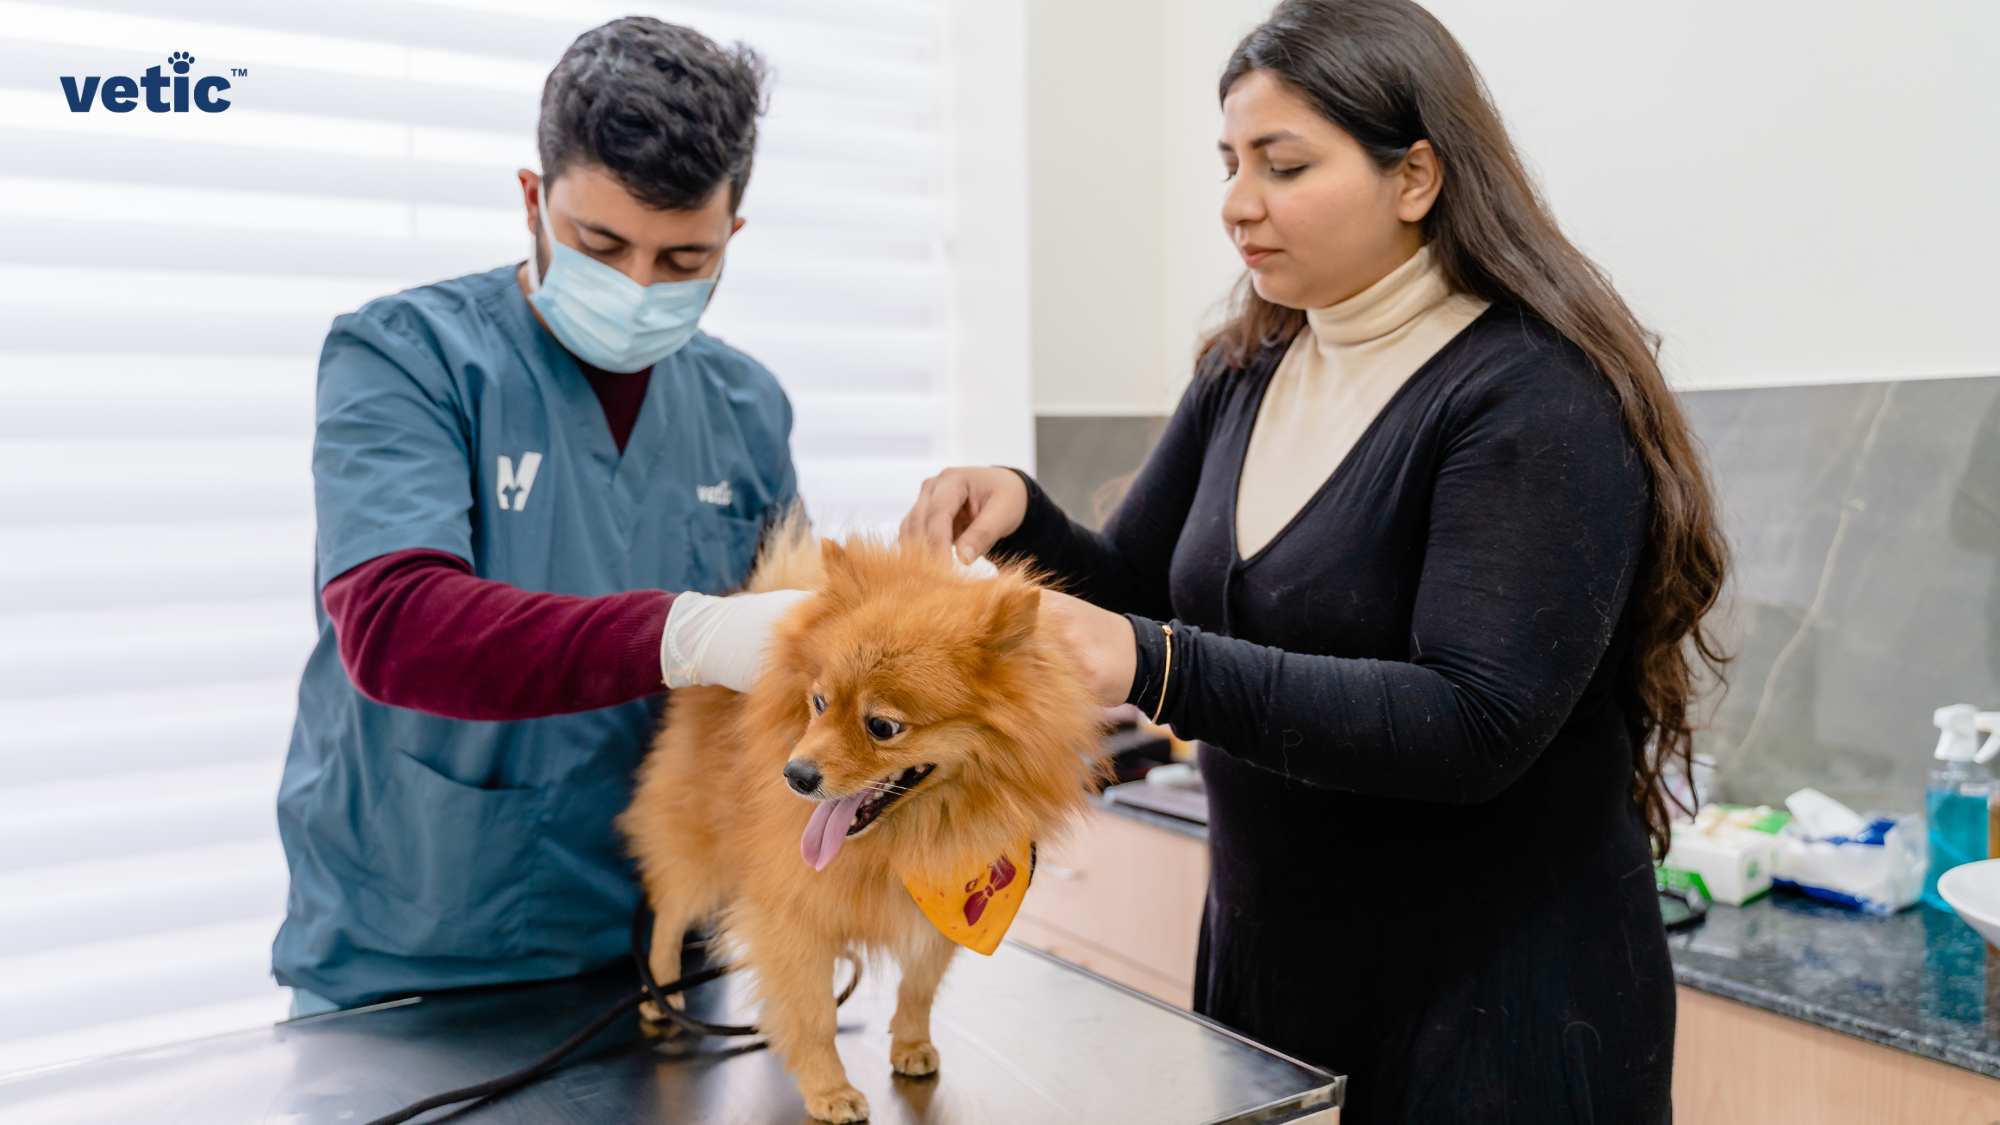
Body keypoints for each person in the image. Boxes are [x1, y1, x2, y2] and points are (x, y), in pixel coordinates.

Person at [901, 2, 1728, 1120]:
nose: (1238, 203)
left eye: (1283, 165)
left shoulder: (1530, 394)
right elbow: (1143, 593)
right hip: (1278, 966)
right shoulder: (1249, 365)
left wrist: (1158, 665)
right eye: (1230, 162)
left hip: (1499, 1005)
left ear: (1416, 176)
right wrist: (1023, 519)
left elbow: (1472, 722)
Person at [273, 17, 808, 1016]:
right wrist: (686, 633)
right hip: (419, 958)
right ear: (533, 199)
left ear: (732, 236)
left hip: (663, 963)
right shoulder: (405, 360)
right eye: (600, 245)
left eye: (683, 260)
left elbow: (784, 688)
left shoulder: (747, 409)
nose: (638, 287)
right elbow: (396, 628)